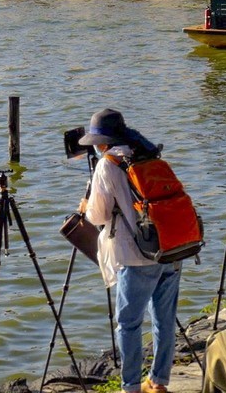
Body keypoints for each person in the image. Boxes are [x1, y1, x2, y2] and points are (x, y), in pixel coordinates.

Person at [79, 109, 179, 393]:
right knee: (164, 320)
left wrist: (87, 205)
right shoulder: (148, 153)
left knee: (128, 324)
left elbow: (97, 217)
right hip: (172, 246)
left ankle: (131, 387)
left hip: (137, 255)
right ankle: (158, 382)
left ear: (102, 142)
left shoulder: (107, 164)